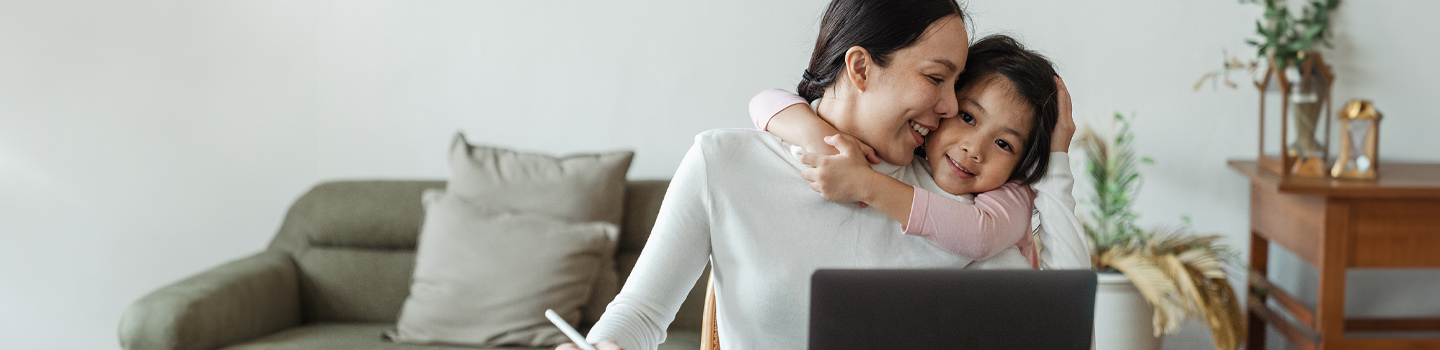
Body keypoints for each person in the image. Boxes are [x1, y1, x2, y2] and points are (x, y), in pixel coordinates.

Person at [559, 1, 1088, 349]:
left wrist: (1056, 162)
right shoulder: (724, 164)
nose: (950, 107)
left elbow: (1061, 323)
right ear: (860, 68)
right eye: (936, 78)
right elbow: (641, 314)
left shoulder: (953, 202)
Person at [747, 35, 1071, 269]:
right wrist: (821, 138)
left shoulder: (1013, 191)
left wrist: (867, 185)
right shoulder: (907, 150)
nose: (974, 149)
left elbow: (982, 235)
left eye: (1004, 144)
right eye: (968, 117)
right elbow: (765, 100)